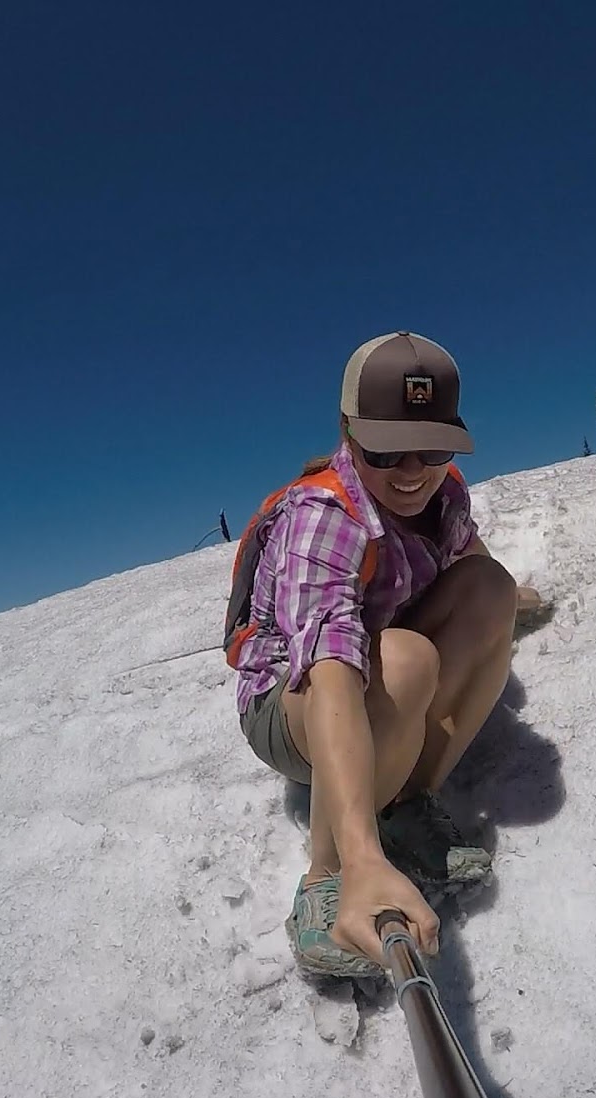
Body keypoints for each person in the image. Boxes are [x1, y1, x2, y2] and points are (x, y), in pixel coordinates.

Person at [229, 331, 540, 979]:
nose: (410, 471)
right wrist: (359, 856)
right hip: (291, 698)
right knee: (403, 662)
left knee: (490, 589)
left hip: (373, 668)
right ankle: (333, 877)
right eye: (386, 448)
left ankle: (401, 808)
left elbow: (468, 563)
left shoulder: (442, 493)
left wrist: (513, 602)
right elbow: (331, 668)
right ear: (348, 434)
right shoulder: (324, 516)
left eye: (430, 447)